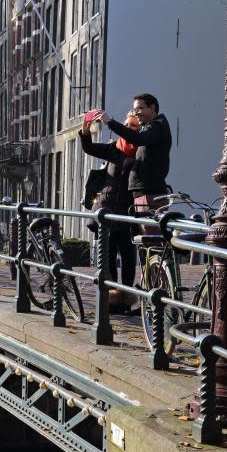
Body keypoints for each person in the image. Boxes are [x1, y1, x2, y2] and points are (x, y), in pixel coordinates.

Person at [80, 111, 138, 313]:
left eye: (135, 127)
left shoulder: (142, 152)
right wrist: (85, 131)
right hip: (109, 212)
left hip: (129, 213)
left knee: (129, 259)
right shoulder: (115, 148)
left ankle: (127, 300)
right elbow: (89, 148)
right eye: (129, 125)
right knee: (109, 258)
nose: (131, 129)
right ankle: (112, 301)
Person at [95, 93, 172, 230]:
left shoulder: (157, 126)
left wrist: (110, 122)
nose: (136, 113)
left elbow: (138, 139)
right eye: (135, 110)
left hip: (149, 194)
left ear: (152, 107)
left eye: (139, 109)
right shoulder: (151, 127)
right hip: (144, 193)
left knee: (152, 240)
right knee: (145, 243)